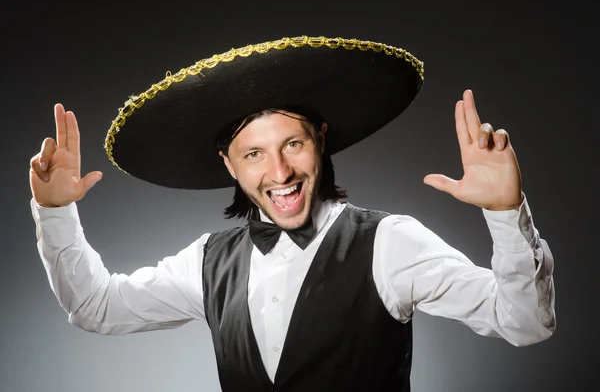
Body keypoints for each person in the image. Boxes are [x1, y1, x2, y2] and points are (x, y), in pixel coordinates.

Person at [29, 36, 555, 392]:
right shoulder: (207, 263)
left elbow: (525, 323)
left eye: (293, 144)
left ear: (320, 141)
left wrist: (506, 214)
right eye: (254, 154)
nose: (279, 171)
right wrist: (54, 213)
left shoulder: (391, 243)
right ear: (230, 167)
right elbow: (94, 307)